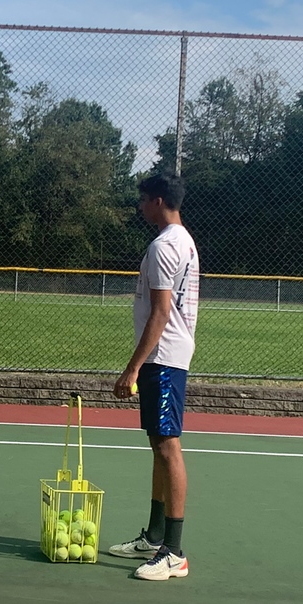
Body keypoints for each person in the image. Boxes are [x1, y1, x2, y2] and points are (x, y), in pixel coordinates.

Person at [109, 173, 199, 581]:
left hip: (163, 359)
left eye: (144, 199)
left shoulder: (165, 246)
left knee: (168, 447)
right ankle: (155, 536)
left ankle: (174, 552)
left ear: (159, 200)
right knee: (158, 445)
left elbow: (162, 313)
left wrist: (133, 367)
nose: (140, 206)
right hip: (164, 358)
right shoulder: (183, 241)